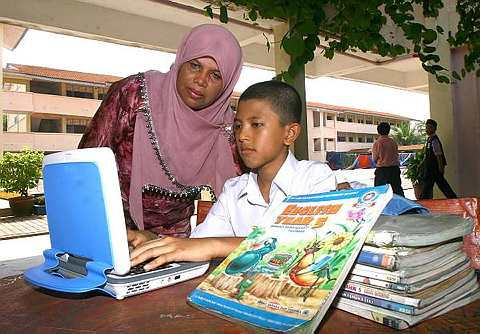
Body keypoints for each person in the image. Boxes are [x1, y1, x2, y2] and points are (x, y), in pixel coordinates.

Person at [128, 80, 337, 271]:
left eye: (256, 125)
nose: (242, 136)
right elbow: (196, 245)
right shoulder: (234, 190)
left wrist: (215, 246)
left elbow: (306, 244)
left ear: (289, 133)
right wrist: (154, 240)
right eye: (238, 126)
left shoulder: (315, 178)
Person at [78, 24, 243, 239]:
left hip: (173, 242)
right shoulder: (134, 95)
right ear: (181, 60)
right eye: (194, 65)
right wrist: (107, 233)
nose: (200, 80)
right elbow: (85, 166)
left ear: (227, 84)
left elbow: (245, 192)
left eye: (215, 75)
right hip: (108, 231)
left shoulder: (226, 128)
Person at [419, 119, 457, 199]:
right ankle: (423, 201)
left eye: (429, 127)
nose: (427, 129)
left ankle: (454, 199)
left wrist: (441, 167)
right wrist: (422, 163)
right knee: (428, 186)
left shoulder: (434, 140)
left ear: (434, 129)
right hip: (430, 169)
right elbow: (428, 155)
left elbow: (438, 155)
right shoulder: (429, 140)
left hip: (435, 169)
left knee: (442, 186)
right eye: (426, 127)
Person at [371, 122, 404, 196]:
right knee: (397, 190)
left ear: (378, 131)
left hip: (382, 171)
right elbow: (396, 154)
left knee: (379, 192)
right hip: (394, 169)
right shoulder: (393, 142)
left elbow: (374, 159)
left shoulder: (377, 143)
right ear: (388, 131)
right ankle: (403, 206)